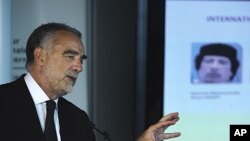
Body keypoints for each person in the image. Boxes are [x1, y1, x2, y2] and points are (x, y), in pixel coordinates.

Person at [0, 22, 180, 141]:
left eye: (81, 60)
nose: (78, 67)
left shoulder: (77, 119)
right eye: (70, 56)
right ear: (40, 56)